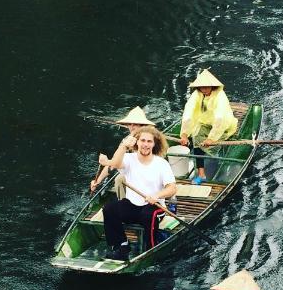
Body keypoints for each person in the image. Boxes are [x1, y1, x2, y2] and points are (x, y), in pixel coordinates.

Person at [99, 125, 177, 261]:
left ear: (154, 144)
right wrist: (123, 146)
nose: (145, 145)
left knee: (149, 215)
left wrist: (156, 196)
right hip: (132, 205)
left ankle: (151, 249)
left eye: (149, 141)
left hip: (155, 206)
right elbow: (116, 163)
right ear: (137, 142)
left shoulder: (161, 164)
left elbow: (172, 189)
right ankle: (122, 246)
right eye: (142, 141)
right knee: (109, 209)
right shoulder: (129, 158)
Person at [179, 69, 237, 183]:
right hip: (205, 122)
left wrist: (212, 138)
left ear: (212, 86)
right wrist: (184, 134)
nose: (204, 90)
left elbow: (220, 118)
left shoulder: (220, 96)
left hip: (223, 125)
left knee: (213, 145)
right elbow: (188, 111)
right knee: (196, 137)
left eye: (206, 87)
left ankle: (216, 160)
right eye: (201, 87)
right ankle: (201, 174)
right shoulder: (197, 94)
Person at [90, 106, 154, 195]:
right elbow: (115, 162)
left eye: (135, 124)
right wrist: (98, 181)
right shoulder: (126, 140)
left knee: (120, 179)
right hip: (132, 172)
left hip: (148, 174)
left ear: (142, 125)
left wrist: (107, 162)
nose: (131, 127)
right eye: (129, 124)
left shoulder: (148, 140)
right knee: (121, 178)